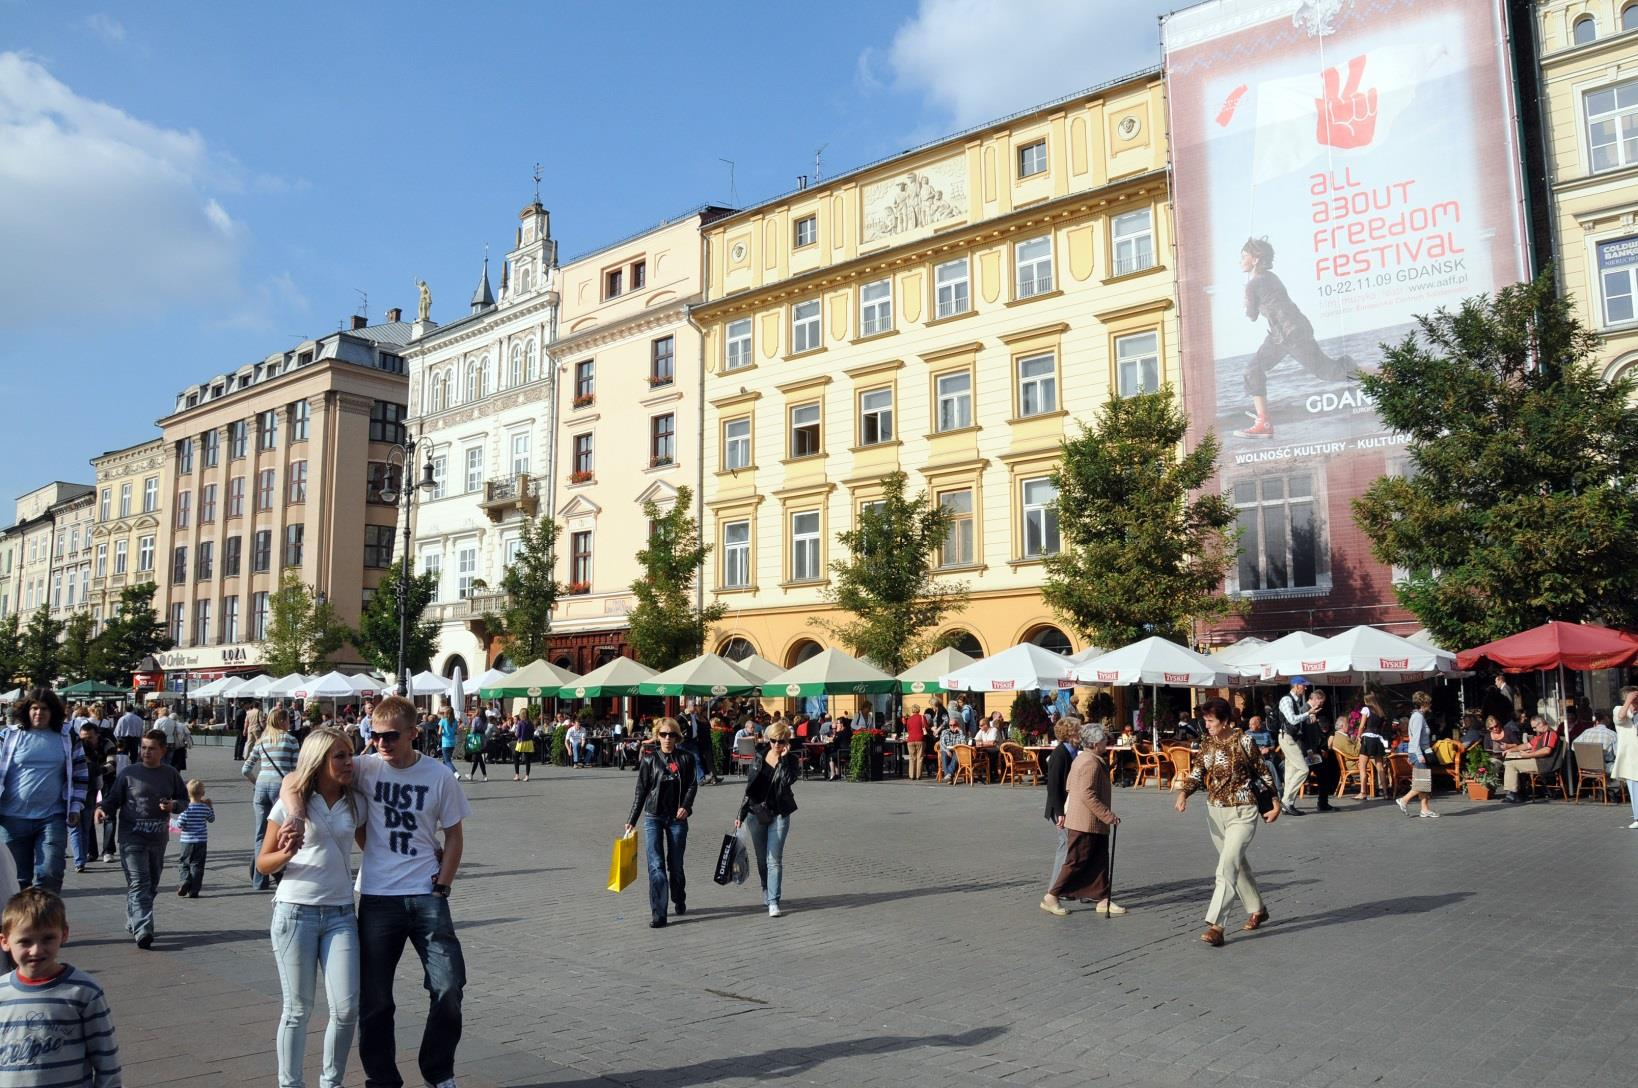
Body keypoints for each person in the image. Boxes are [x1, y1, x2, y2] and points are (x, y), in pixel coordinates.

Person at [280, 696, 469, 1088]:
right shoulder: (363, 767)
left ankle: (438, 1071)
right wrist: (297, 817)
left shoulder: (440, 777)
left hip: (426, 895)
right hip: (378, 898)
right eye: (376, 735)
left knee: (449, 985)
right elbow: (293, 780)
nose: (381, 743)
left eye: (391, 736)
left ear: (414, 734)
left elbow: (453, 835)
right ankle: (382, 1080)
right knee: (376, 999)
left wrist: (443, 884)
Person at [257, 729, 365, 1088]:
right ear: (319, 761)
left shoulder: (356, 802)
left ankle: (331, 1082)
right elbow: (263, 863)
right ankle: (290, 1084)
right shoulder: (292, 802)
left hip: (341, 915)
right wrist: (287, 852)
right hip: (295, 913)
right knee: (298, 1010)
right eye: (340, 756)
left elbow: (375, 847)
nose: (349, 762)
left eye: (349, 754)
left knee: (347, 1009)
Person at [1175, 698, 1280, 947]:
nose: (1206, 724)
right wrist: (1184, 793)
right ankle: (1258, 909)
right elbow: (1198, 771)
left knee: (1225, 868)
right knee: (1236, 864)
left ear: (1224, 720)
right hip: (1215, 812)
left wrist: (1275, 801)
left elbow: (1263, 771)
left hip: (1243, 811)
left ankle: (1217, 926)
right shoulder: (1207, 742)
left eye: (1210, 720)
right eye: (1205, 720)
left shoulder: (1244, 741)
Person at [1233, 235, 1355, 440]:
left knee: (1329, 372)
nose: (1240, 260)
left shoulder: (1253, 284)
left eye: (1244, 256)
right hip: (1284, 334)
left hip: (1290, 334)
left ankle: (1380, 375)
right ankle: (1264, 423)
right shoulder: (1271, 277)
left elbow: (1252, 316)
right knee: (1253, 369)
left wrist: (1245, 302)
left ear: (1255, 259)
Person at [0, 889, 121, 1085]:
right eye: (25, 941)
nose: (36, 950)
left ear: (64, 934)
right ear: (5, 942)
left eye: (47, 938)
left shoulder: (83, 991)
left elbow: (106, 1057)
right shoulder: (2, 992)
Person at [96, 730, 188, 948]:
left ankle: (134, 918)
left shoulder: (170, 773)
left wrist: (173, 806)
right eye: (144, 747)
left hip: (157, 839)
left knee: (151, 886)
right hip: (131, 838)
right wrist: (102, 809)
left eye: (151, 748)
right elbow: (113, 798)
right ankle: (144, 929)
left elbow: (184, 800)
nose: (146, 752)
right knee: (139, 883)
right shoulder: (129, 773)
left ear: (163, 750)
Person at [0, 687, 88, 896]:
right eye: (35, 708)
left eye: (45, 709)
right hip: (12, 817)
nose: (39, 713)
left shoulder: (67, 737)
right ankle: (18, 925)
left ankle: (46, 921)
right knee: (16, 878)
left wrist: (75, 806)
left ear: (54, 712)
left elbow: (80, 775)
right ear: (26, 710)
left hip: (51, 817)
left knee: (50, 872)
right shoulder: (9, 736)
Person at [1043, 720, 1124, 916]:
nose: (1107, 743)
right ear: (1096, 743)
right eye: (1104, 740)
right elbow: (1086, 793)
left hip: (1091, 821)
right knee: (1076, 861)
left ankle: (1103, 898)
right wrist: (1107, 815)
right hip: (1085, 821)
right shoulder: (1089, 762)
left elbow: (1071, 784)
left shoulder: (1083, 758)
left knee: (1099, 860)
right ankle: (1052, 896)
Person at [624, 719, 697, 928]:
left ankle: (679, 897)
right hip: (653, 816)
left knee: (676, 866)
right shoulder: (649, 760)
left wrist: (686, 806)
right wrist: (631, 820)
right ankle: (659, 913)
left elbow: (693, 784)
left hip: (677, 818)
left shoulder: (686, 758)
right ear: (657, 736)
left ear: (677, 737)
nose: (667, 739)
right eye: (663, 734)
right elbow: (641, 791)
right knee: (656, 866)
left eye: (671, 735)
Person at [735, 720, 799, 917]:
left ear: (787, 741)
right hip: (756, 813)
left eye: (781, 741)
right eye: (773, 740)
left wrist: (785, 760)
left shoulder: (791, 760)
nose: (777, 745)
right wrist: (741, 814)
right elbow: (750, 788)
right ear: (768, 739)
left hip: (779, 813)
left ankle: (774, 901)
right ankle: (765, 888)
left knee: (774, 860)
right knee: (762, 860)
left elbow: (788, 780)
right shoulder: (759, 756)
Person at [242, 708, 301, 891]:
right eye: (288, 720)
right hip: (281, 788)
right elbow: (295, 770)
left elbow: (245, 769)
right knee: (280, 831)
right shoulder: (291, 740)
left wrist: (256, 781)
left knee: (260, 834)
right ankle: (280, 869)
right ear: (283, 721)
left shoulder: (261, 741)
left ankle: (259, 881)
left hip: (261, 786)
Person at [1040, 717, 1078, 913]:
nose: (1080, 735)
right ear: (1070, 734)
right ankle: (1053, 891)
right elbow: (1053, 786)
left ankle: (1064, 888)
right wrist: (1059, 812)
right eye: (1077, 731)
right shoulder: (1060, 754)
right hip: (1059, 808)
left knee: (1070, 846)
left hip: (1067, 807)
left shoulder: (1071, 752)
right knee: (1065, 846)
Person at [1276, 678, 1318, 814]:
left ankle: (1287, 804)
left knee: (1291, 771)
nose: (1305, 688)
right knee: (1303, 769)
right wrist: (1308, 713)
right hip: (1286, 737)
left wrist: (1308, 717)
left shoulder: (1296, 700)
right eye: (1304, 686)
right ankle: (1286, 801)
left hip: (1291, 737)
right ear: (1297, 685)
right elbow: (1292, 719)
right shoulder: (1286, 700)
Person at [1395, 691, 1439, 818]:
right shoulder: (1418, 717)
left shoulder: (1417, 716)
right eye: (1429, 703)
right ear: (1424, 703)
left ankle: (1424, 809)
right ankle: (1403, 800)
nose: (1430, 705)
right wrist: (1418, 755)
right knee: (1423, 782)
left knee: (1422, 781)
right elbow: (1415, 738)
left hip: (1416, 751)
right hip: (1418, 752)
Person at [1499, 714, 1560, 804]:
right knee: (1511, 761)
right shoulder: (1542, 735)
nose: (1534, 730)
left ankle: (1513, 793)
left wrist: (1528, 755)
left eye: (1535, 727)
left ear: (1541, 724)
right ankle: (1520, 791)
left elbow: (1546, 750)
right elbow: (1527, 745)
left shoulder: (1550, 734)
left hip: (1543, 763)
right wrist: (1511, 750)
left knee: (1510, 764)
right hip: (1539, 761)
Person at [72, 722, 108, 873]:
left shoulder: (74, 764)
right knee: (86, 829)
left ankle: (78, 859)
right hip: (90, 799)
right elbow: (100, 784)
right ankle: (83, 858)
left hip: (74, 798)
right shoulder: (94, 766)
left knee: (74, 830)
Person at [173, 779, 213, 898]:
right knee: (197, 865)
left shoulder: (185, 809)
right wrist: (210, 807)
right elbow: (211, 819)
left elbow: (179, 825)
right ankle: (194, 890)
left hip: (187, 841)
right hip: (201, 841)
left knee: (184, 863)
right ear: (203, 793)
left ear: (187, 794)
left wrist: (170, 821)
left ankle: (185, 881)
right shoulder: (205, 808)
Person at [1306, 689, 1338, 812]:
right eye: (1321, 702)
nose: (1321, 705)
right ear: (1316, 699)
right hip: (1309, 751)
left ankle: (1323, 803)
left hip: (1313, 750)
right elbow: (1306, 733)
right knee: (1302, 775)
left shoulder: (1312, 711)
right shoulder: (1306, 710)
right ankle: (1287, 801)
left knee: (1323, 774)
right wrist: (1311, 750)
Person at [1612, 687, 1638, 828]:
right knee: (1635, 786)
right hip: (1631, 757)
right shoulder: (1619, 709)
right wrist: (1629, 700)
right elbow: (1620, 718)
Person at [462, 712, 488, 782]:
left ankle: (484, 775)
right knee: (477, 757)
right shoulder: (485, 719)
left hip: (476, 738)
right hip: (482, 738)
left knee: (479, 758)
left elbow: (473, 730)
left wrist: (469, 733)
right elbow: (485, 728)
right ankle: (471, 774)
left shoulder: (476, 719)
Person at [937, 718, 965, 783]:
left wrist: (960, 732)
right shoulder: (945, 732)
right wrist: (947, 750)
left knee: (957, 754)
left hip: (956, 750)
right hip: (947, 750)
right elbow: (942, 743)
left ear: (957, 725)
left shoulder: (960, 733)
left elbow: (964, 744)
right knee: (944, 754)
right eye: (950, 725)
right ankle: (949, 776)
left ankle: (948, 775)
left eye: (954, 725)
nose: (952, 726)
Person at [904, 704, 927, 781]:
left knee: (912, 758)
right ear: (919, 710)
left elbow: (908, 729)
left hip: (910, 740)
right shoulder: (922, 717)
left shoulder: (909, 719)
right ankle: (918, 775)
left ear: (912, 710)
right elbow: (926, 727)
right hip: (920, 739)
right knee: (919, 757)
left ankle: (911, 775)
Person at [512, 710, 537, 781]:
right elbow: (533, 732)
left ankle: (517, 775)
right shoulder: (531, 723)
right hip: (529, 742)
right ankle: (527, 776)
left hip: (521, 742)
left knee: (516, 757)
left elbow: (517, 734)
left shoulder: (520, 723)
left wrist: (515, 734)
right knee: (527, 760)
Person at [438, 706, 459, 774]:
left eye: (443, 712)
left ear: (446, 713)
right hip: (452, 743)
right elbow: (456, 732)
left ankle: (455, 772)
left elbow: (439, 732)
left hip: (445, 743)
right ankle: (445, 775)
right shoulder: (455, 721)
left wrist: (444, 733)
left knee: (447, 761)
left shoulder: (443, 721)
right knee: (445, 760)